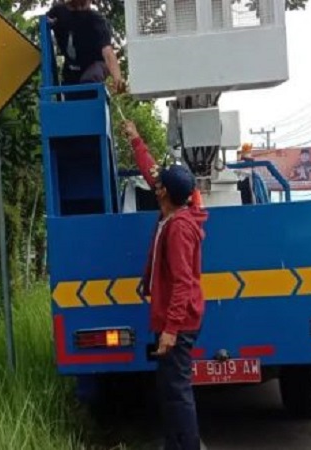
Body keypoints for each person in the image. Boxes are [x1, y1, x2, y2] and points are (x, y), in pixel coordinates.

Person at [122, 120, 207, 450]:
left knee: (177, 392)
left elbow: (183, 283)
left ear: (164, 193)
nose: (155, 185)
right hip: (177, 320)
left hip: (179, 324)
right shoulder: (175, 213)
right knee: (171, 390)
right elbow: (152, 172)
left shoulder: (178, 228)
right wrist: (135, 139)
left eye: (159, 185)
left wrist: (171, 330)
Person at [46, 0, 125, 94]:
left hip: (95, 65)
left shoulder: (96, 20)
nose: (80, 7)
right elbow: (44, 23)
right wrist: (50, 22)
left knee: (90, 78)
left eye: (83, 4)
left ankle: (92, 94)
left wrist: (117, 77)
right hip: (71, 70)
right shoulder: (58, 12)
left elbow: (107, 51)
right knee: (70, 92)